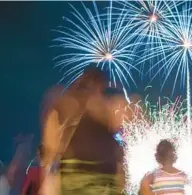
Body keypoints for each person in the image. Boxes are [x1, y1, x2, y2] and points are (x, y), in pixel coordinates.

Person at [40, 66, 139, 195]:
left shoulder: (64, 103)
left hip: (75, 176)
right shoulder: (106, 107)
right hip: (106, 177)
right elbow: (126, 116)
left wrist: (48, 171)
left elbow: (51, 145)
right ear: (100, 84)